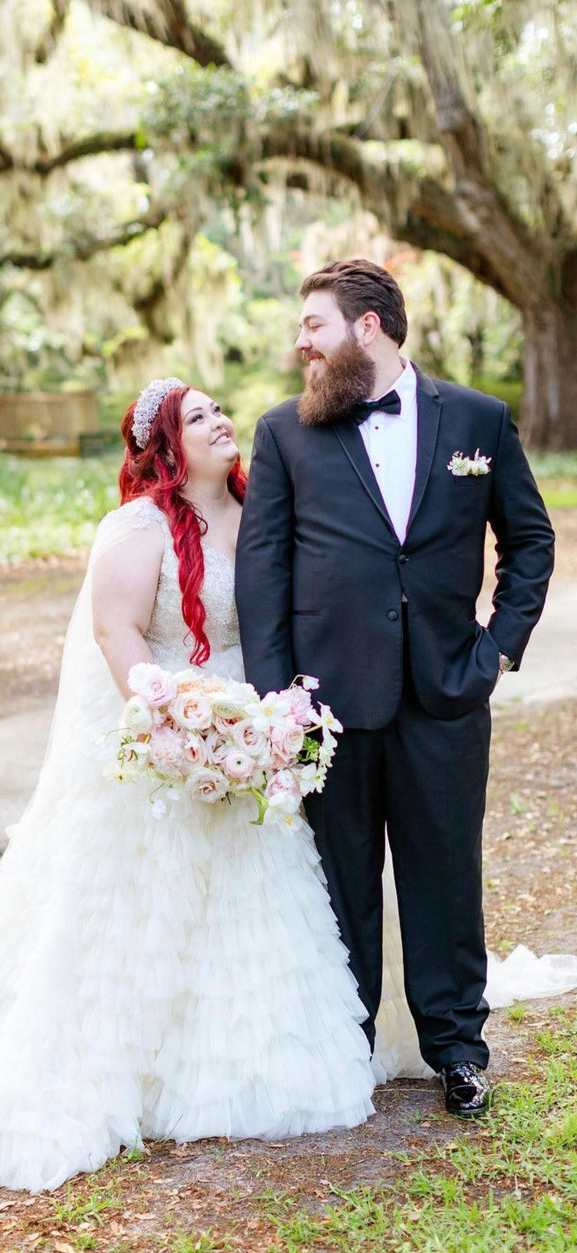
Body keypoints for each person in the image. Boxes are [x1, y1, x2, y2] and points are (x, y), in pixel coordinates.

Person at [0, 378, 376, 1193]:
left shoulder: (259, 511)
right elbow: (117, 632)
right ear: (167, 445)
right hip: (175, 733)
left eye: (218, 408)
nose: (220, 421)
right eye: (197, 416)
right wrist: (177, 719)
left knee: (260, 890)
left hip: (254, 732)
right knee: (151, 906)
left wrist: (264, 723)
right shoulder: (139, 528)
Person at [235, 258, 557, 1119]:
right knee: (340, 883)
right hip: (328, 704)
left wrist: (497, 650)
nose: (301, 342)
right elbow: (262, 575)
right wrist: (278, 700)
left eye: (315, 325)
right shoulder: (285, 432)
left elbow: (530, 542)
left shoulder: (478, 419)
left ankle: (457, 1051)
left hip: (447, 693)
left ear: (367, 327)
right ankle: (348, 1049)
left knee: (445, 875)